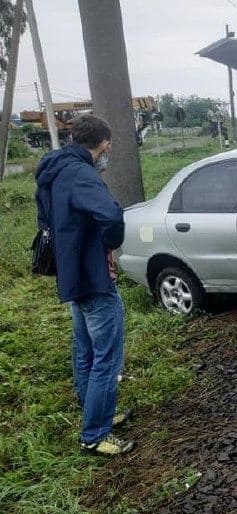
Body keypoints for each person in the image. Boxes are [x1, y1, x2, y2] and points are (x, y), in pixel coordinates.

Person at [35, 114, 133, 456]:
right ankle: (95, 433)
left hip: (71, 273)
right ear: (102, 143)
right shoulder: (81, 174)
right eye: (109, 144)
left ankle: (95, 411)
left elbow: (44, 219)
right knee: (107, 356)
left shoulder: (54, 168)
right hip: (93, 277)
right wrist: (110, 244)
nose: (109, 150)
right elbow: (111, 213)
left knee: (85, 349)